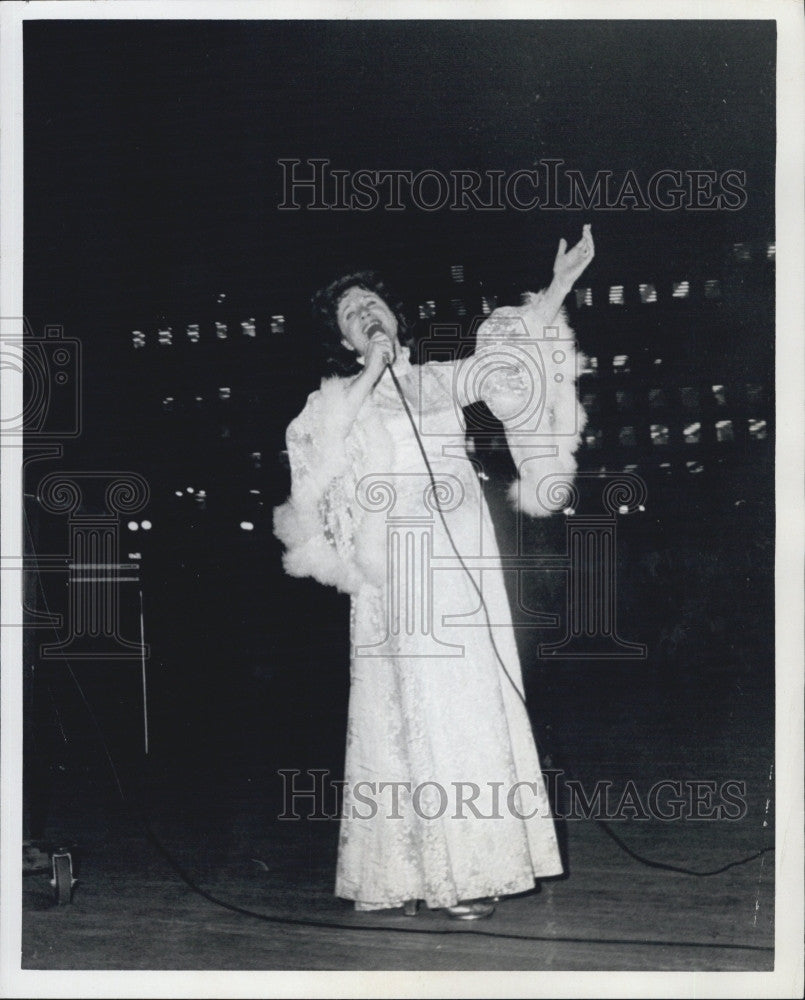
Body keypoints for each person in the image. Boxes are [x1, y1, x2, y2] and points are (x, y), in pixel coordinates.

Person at [274, 225, 594, 919]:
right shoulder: (332, 401)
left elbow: (503, 360)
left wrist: (558, 287)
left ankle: (473, 867)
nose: (365, 311)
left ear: (396, 317)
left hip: (461, 556)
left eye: (372, 303)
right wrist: (370, 373)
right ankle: (425, 871)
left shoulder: (434, 381)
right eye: (349, 313)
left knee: (468, 702)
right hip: (399, 568)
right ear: (344, 341)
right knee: (412, 708)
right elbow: (312, 456)